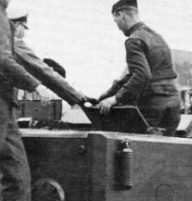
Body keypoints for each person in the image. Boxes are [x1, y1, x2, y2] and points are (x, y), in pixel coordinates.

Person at [0, 0, 53, 201]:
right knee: (17, 179)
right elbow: (3, 60)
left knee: (19, 179)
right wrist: (36, 86)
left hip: (7, 107)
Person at [97, 0, 181, 136]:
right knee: (163, 154)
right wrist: (107, 95)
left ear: (121, 15)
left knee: (135, 150)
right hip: (174, 104)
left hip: (153, 105)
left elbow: (142, 75)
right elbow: (132, 75)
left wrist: (115, 99)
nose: (117, 26)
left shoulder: (133, 40)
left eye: (115, 21)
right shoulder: (157, 37)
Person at [8, 8, 87, 107]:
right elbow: (43, 71)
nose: (23, 34)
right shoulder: (13, 42)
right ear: (16, 25)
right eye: (24, 28)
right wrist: (78, 97)